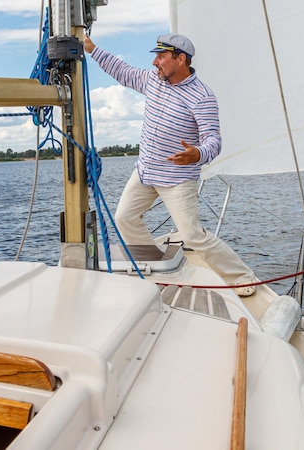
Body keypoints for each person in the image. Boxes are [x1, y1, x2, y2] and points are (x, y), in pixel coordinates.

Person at [84, 32, 256, 296]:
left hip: (177, 178)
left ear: (181, 59)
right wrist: (93, 49)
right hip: (145, 171)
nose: (155, 63)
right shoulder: (153, 80)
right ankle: (157, 266)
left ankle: (243, 278)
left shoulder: (202, 96)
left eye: (162, 57)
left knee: (193, 236)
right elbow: (122, 71)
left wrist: (197, 154)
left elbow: (214, 139)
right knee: (124, 217)